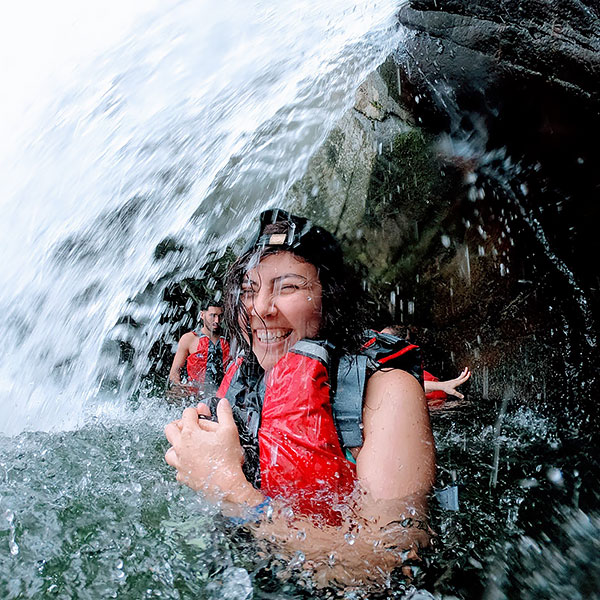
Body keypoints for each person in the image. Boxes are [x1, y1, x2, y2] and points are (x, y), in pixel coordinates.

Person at [164, 209, 435, 587]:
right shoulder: (244, 375)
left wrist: (228, 488)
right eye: (248, 289)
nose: (260, 308)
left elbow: (388, 564)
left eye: (287, 287)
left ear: (330, 296)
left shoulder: (387, 388)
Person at [381, 325, 471, 408]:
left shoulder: (426, 379)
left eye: (381, 340)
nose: (374, 344)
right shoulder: (380, 371)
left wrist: (442, 386)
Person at [167, 302, 231, 399]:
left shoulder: (229, 339)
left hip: (223, 396)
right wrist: (179, 387)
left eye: (220, 316)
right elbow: (174, 372)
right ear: (202, 315)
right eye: (213, 316)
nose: (217, 320)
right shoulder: (190, 339)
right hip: (195, 396)